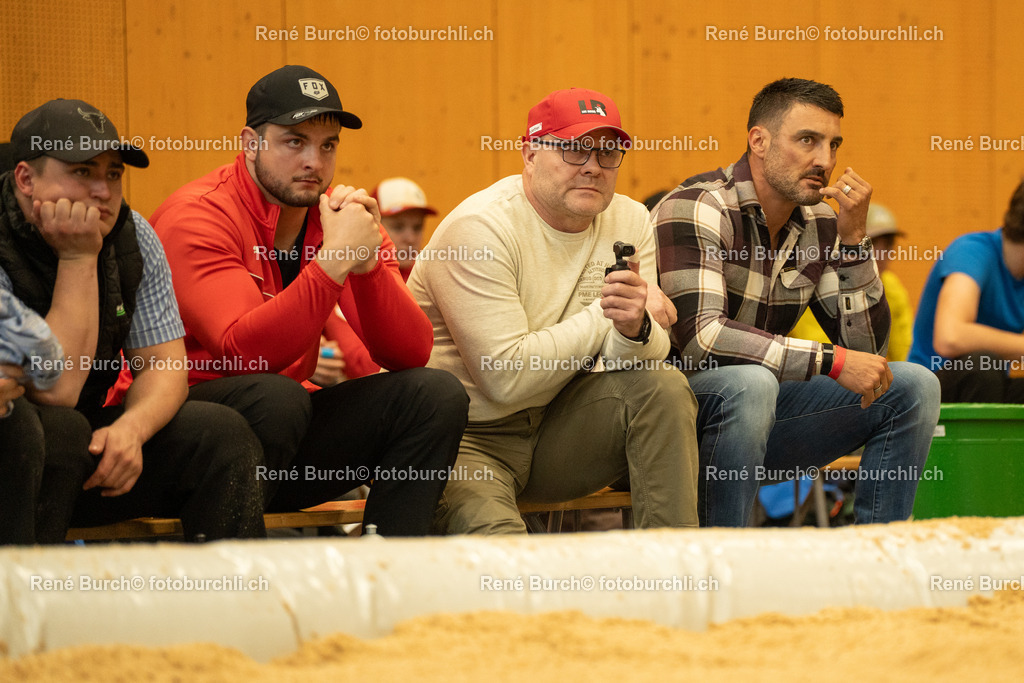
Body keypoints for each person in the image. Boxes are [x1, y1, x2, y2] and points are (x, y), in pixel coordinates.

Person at [146, 65, 468, 536]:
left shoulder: (340, 217)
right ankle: (241, 588)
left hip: (281, 440)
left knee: (433, 394)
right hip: (185, 440)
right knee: (277, 397)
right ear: (251, 143)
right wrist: (334, 261)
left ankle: (390, 574)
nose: (314, 161)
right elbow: (245, 354)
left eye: (328, 145)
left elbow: (408, 353)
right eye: (294, 142)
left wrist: (365, 267)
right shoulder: (198, 216)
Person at [409, 87, 700, 535]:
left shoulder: (629, 218)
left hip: (557, 422)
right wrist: (606, 313)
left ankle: (674, 576)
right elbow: (505, 378)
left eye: (607, 153)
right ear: (528, 155)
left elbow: (636, 358)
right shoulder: (480, 228)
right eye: (573, 149)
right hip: (467, 439)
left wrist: (635, 327)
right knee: (509, 571)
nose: (592, 166)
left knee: (663, 388)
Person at [652, 77, 940, 527]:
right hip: (670, 417)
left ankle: (881, 561)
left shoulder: (820, 224)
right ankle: (720, 567)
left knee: (913, 387)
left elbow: (868, 352)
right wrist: (833, 361)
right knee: (750, 384)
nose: (824, 161)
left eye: (833, 145)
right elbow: (701, 341)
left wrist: (852, 241)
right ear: (759, 141)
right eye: (807, 140)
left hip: (759, 417)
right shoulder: (699, 206)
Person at [1, 99, 266, 542]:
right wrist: (78, 256)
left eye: (113, 174)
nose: (103, 191)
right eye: (82, 172)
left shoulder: (133, 234)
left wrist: (131, 429)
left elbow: (165, 366)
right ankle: (25, 602)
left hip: (88, 448)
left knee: (220, 434)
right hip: (21, 446)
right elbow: (57, 390)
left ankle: (236, 603)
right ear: (26, 178)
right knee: (58, 431)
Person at [314, 177, 438, 385]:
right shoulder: (344, 273)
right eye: (398, 227)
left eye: (417, 228)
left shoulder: (433, 278)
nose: (410, 237)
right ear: (371, 224)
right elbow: (364, 366)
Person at [908, 181, 1024, 402]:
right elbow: (950, 338)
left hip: (990, 388)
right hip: (928, 391)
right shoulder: (972, 251)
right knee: (982, 366)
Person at [790, 203, 913, 361]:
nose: (881, 252)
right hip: (819, 369)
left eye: (888, 244)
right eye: (872, 243)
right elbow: (817, 346)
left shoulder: (891, 285)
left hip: (866, 370)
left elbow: (903, 350)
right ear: (849, 243)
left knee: (915, 377)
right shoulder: (820, 278)